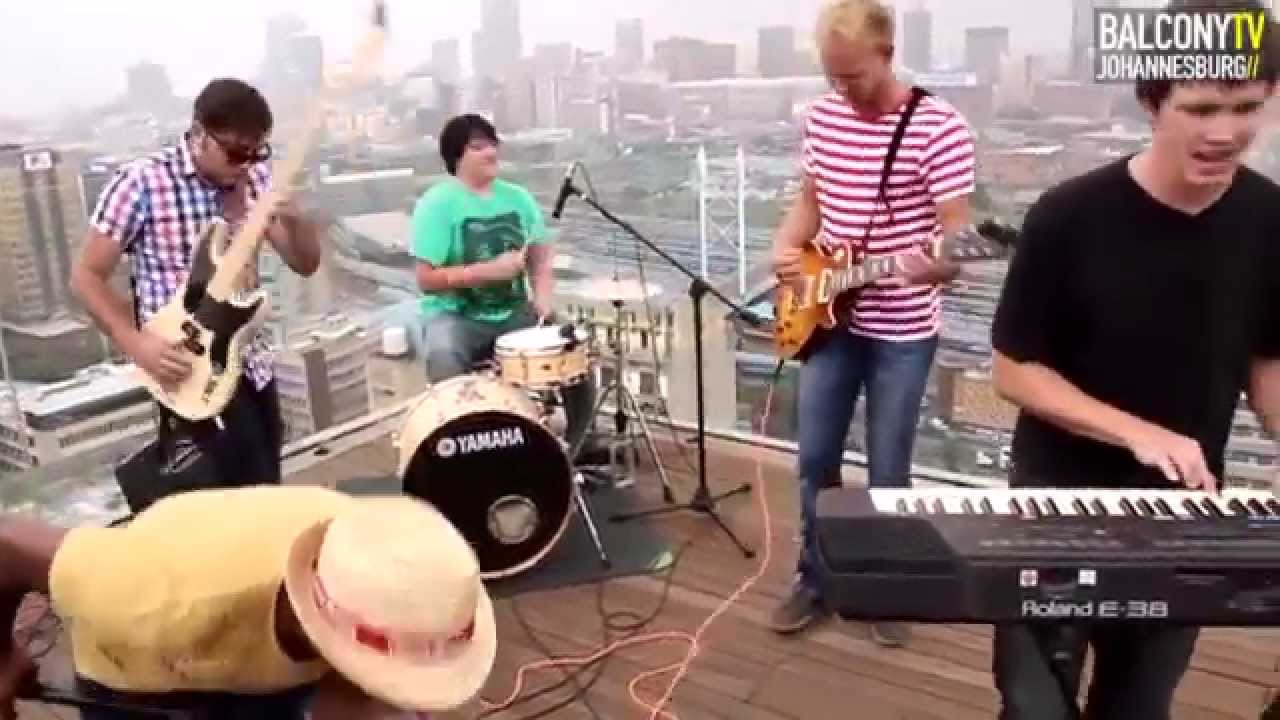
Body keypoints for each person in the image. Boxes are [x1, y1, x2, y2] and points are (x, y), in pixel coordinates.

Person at [988, 0, 1280, 716]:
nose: (1224, 131)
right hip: (1055, 504)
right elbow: (1012, 369)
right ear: (1153, 102)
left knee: (1139, 706)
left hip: (1182, 514)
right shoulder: (1067, 215)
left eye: (1246, 106)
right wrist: (1139, 433)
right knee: (1035, 705)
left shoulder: (1270, 218)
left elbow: (1266, 360)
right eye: (1201, 108)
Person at [768, 0, 976, 644]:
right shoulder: (822, 117)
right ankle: (816, 578)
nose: (842, 90)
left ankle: (885, 588)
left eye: (853, 76)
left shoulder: (940, 128)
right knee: (815, 459)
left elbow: (957, 245)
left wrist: (934, 268)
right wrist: (784, 248)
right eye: (831, 76)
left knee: (889, 470)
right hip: (828, 316)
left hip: (902, 330)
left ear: (887, 55)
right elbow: (812, 201)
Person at [0, 485, 496, 720]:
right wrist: (3, 660)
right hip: (149, 673)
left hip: (278, 656)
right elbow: (6, 544)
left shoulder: (409, 565)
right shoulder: (151, 596)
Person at [70, 77, 325, 488]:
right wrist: (137, 345)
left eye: (257, 152)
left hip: (253, 365)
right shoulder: (142, 184)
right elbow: (86, 275)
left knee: (266, 494)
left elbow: (305, 263)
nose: (246, 164)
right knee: (217, 505)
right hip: (187, 370)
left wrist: (295, 219)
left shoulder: (257, 179)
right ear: (199, 134)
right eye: (235, 153)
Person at [411, 113, 600, 460]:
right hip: (455, 316)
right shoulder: (436, 204)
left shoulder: (518, 199)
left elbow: (540, 256)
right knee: (443, 356)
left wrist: (542, 299)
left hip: (514, 311)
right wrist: (484, 272)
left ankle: (573, 450)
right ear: (457, 156)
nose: (490, 152)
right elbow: (426, 279)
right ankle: (461, 453)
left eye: (492, 144)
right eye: (478, 146)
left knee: (574, 353)